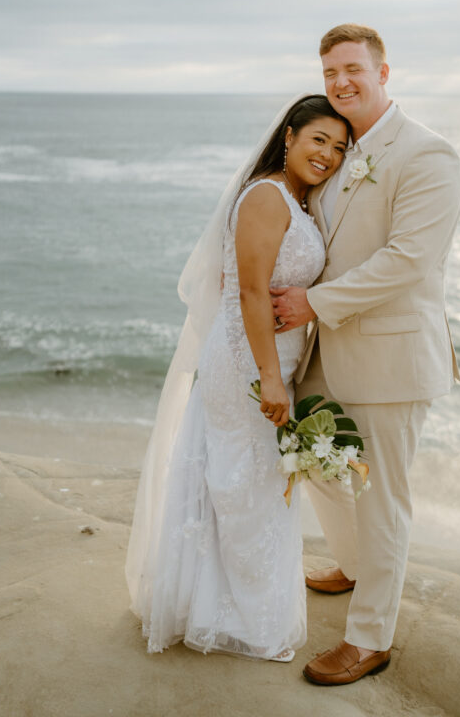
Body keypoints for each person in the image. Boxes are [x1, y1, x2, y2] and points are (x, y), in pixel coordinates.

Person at [271, 24, 460, 686]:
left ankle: (368, 637)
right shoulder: (342, 146)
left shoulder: (426, 155)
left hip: (389, 356)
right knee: (310, 457)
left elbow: (408, 261)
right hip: (327, 350)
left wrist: (313, 304)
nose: (339, 83)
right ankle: (353, 565)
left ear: (383, 72)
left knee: (382, 498)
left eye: (351, 69)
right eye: (328, 73)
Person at [126, 94, 350, 661]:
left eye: (340, 148)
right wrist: (270, 377)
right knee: (241, 483)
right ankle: (234, 616)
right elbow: (248, 290)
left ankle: (224, 607)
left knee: (250, 484)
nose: (328, 154)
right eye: (318, 140)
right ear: (290, 136)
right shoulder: (266, 195)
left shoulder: (297, 201)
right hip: (246, 363)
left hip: (270, 361)